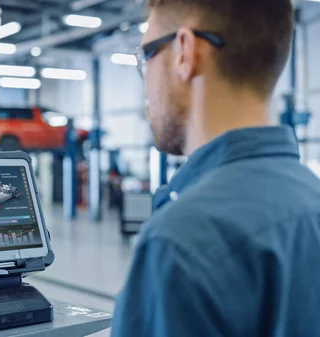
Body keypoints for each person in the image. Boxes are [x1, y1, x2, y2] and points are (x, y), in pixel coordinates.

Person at [112, 1, 320, 336]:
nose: (145, 80)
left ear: (184, 51)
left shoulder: (181, 241)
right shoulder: (312, 201)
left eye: (146, 55)